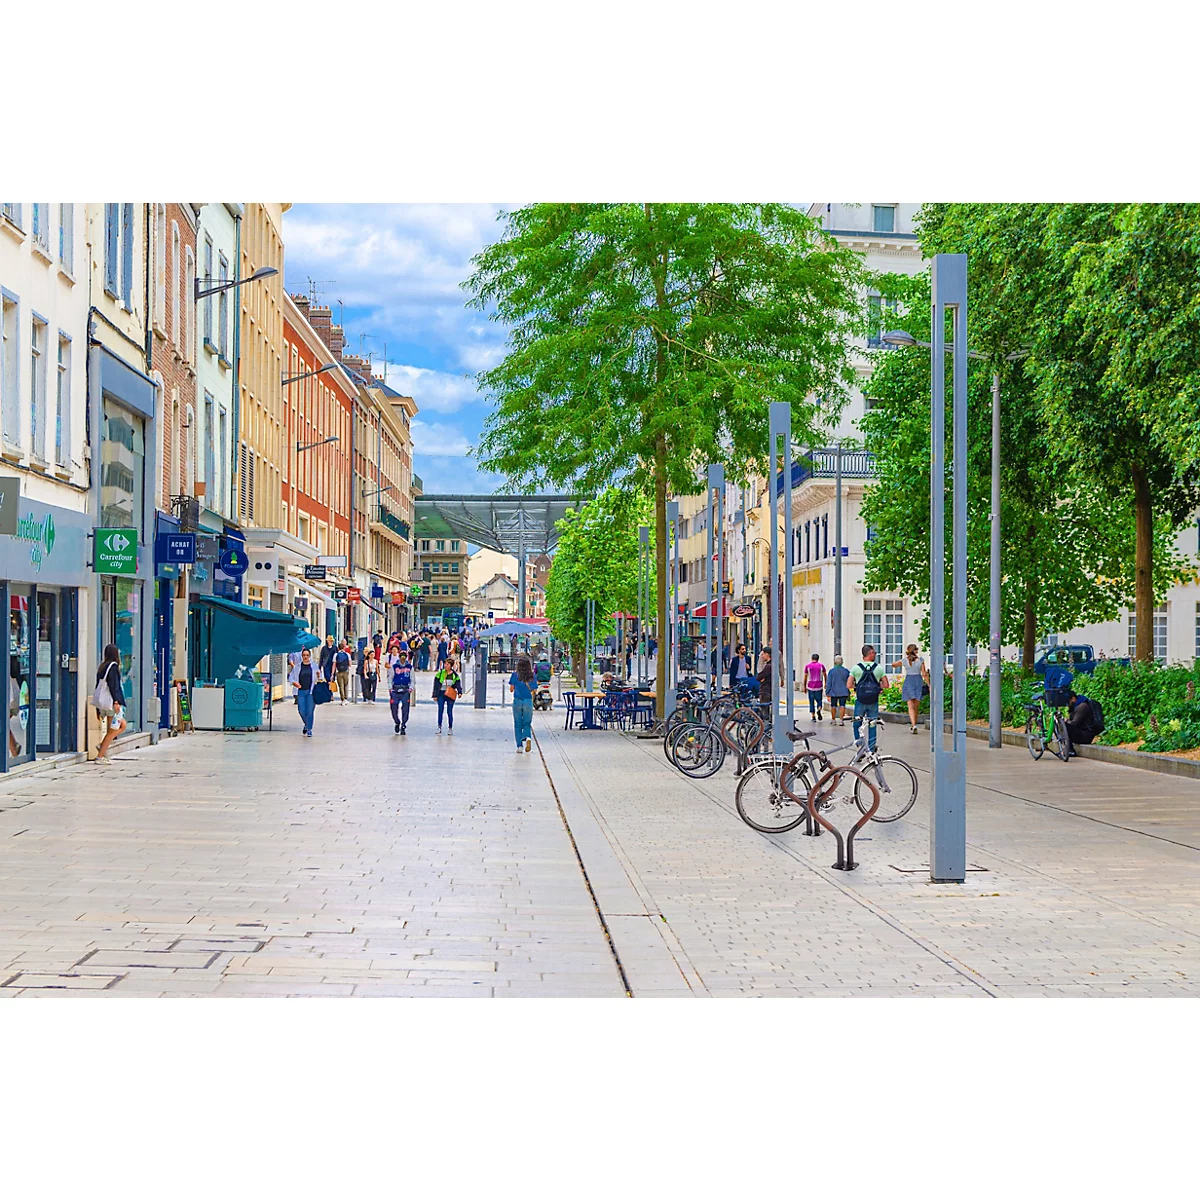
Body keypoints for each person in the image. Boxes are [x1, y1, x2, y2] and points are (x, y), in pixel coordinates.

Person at [849, 645, 889, 752]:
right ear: (870, 653)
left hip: (860, 700)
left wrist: (858, 687)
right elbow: (886, 685)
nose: (875, 655)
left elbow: (848, 684)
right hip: (873, 701)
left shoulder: (856, 668)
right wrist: (876, 687)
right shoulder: (879, 668)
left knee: (857, 723)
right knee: (872, 724)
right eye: (874, 653)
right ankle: (871, 749)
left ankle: (860, 745)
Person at [93, 643, 127, 765]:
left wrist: (97, 709)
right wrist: (117, 702)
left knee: (120, 725)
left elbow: (98, 688)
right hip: (112, 704)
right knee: (113, 730)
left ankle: (102, 746)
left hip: (104, 704)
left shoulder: (102, 667)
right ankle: (100, 756)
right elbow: (114, 686)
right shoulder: (113, 667)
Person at [890, 643, 929, 735]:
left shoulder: (904, 660)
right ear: (915, 651)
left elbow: (893, 664)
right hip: (918, 681)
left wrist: (899, 663)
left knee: (910, 706)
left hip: (909, 681)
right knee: (916, 706)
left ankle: (914, 725)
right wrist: (929, 685)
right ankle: (914, 724)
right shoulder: (921, 660)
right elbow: (924, 674)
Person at [288, 647, 320, 737]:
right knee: (301, 710)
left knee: (310, 711)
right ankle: (307, 724)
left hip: (311, 692)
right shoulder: (297, 667)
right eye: (304, 655)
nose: (305, 657)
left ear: (309, 656)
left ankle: (309, 729)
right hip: (301, 691)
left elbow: (320, 677)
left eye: (307, 655)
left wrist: (319, 676)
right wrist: (294, 683)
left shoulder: (314, 666)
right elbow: (291, 677)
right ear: (302, 656)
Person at [510, 653, 535, 754]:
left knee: (517, 724)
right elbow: (534, 690)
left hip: (517, 700)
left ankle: (519, 746)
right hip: (528, 701)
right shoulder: (532, 676)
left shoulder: (515, 675)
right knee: (527, 723)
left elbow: (511, 689)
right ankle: (528, 737)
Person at [434, 656, 462, 734]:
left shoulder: (455, 675)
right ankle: (439, 726)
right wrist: (435, 695)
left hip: (450, 694)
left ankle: (450, 727)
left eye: (447, 664)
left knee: (449, 711)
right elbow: (436, 685)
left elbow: (458, 684)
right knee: (440, 710)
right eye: (445, 664)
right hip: (441, 693)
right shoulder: (440, 674)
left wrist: (460, 692)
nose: (445, 666)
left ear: (451, 665)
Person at [388, 649, 413, 734]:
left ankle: (403, 724)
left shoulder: (409, 667)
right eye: (401, 656)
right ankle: (397, 721)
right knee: (394, 706)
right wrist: (390, 688)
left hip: (405, 690)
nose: (403, 658)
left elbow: (412, 678)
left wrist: (411, 688)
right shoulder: (394, 666)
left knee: (405, 708)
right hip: (395, 690)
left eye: (404, 656)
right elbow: (390, 678)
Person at [826, 655, 851, 725]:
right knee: (842, 705)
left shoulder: (831, 671)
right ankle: (841, 720)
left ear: (834, 662)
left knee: (833, 705)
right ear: (842, 662)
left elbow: (829, 683)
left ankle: (833, 720)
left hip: (834, 691)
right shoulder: (846, 671)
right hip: (844, 691)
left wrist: (827, 692)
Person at [803, 653, 826, 721]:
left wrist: (804, 686)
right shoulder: (821, 666)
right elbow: (825, 675)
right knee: (819, 700)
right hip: (819, 686)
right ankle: (819, 708)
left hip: (810, 686)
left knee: (811, 701)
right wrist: (825, 684)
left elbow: (805, 677)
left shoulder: (808, 666)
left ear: (812, 658)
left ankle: (813, 716)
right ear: (818, 659)